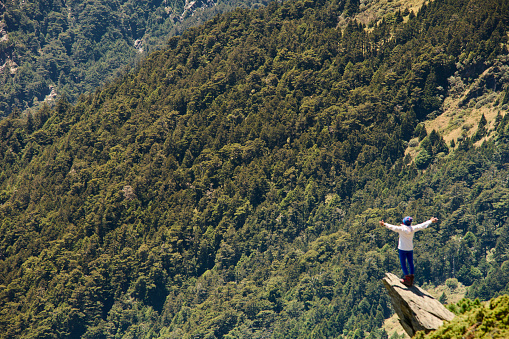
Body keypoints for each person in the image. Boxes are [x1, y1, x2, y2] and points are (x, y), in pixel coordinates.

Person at [379, 216, 438, 287]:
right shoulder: (413, 228)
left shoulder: (401, 229)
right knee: (410, 263)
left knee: (403, 264)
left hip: (402, 249)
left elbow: (393, 227)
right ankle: (411, 278)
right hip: (410, 249)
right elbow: (422, 225)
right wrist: (431, 221)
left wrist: (384, 224)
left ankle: (407, 279)